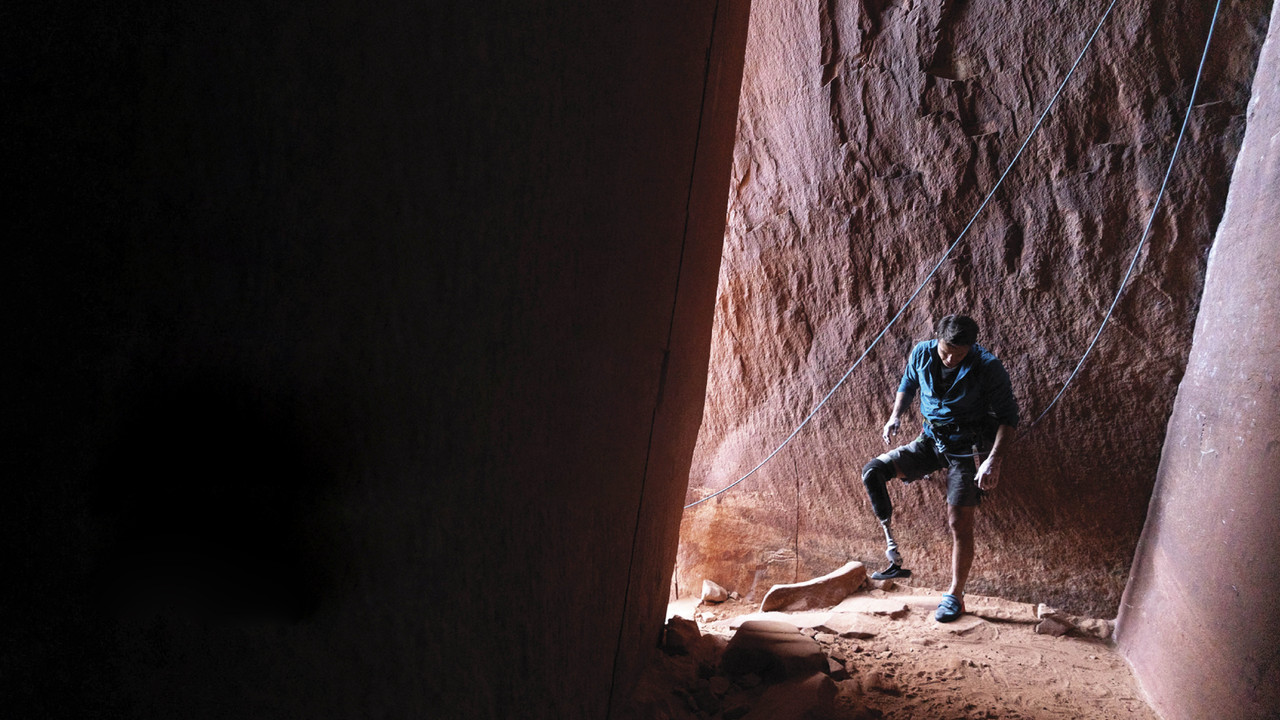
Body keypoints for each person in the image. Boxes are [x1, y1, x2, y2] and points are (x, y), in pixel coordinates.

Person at [860, 314, 1018, 622]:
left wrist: (993, 461)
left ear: (971, 348)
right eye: (945, 351)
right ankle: (893, 551)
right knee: (873, 471)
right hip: (930, 440)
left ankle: (955, 595)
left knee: (959, 522)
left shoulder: (988, 367)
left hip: (967, 450)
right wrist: (895, 415)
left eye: (958, 355)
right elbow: (908, 382)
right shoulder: (922, 351)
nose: (949, 359)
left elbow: (1009, 418)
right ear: (937, 339)